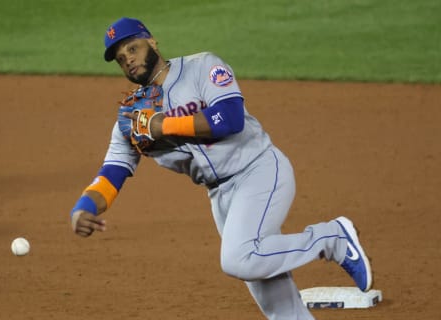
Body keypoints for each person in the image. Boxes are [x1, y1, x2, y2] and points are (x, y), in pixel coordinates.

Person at [70, 17, 373, 319]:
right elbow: (112, 172)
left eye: (132, 49)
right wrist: (84, 209)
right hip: (221, 197)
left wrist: (164, 125)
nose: (129, 60)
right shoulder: (132, 121)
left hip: (258, 170)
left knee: (239, 259)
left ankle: (331, 238)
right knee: (276, 302)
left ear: (152, 42)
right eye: (121, 59)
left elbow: (229, 118)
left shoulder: (202, 67)